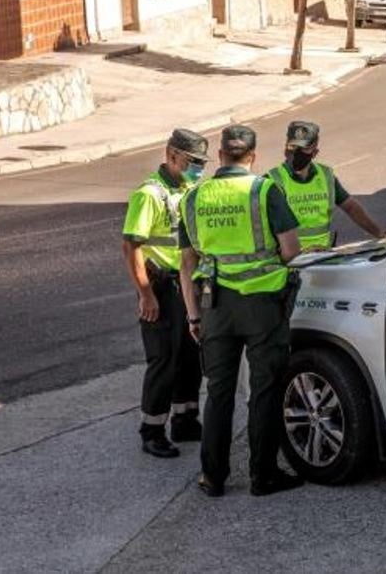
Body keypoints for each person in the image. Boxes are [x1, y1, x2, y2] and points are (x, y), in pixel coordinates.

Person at [179, 125, 304, 498]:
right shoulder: (264, 190)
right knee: (264, 391)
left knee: (219, 393)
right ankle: (262, 476)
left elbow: (186, 264)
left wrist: (192, 316)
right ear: (252, 156)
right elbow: (291, 250)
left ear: (219, 156)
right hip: (263, 306)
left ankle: (212, 477)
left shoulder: (193, 198)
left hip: (213, 305)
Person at [121, 129, 209, 458]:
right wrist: (146, 295)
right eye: (191, 162)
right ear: (171, 155)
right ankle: (152, 429)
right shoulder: (150, 194)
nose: (197, 168)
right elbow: (131, 247)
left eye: (201, 163)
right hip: (161, 286)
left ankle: (185, 420)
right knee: (163, 360)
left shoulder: (189, 190)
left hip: (187, 284)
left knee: (190, 357)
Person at [267, 121, 386, 252]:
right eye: (293, 147)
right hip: (289, 261)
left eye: (303, 149)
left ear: (314, 153)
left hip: (323, 256)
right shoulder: (272, 180)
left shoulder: (325, 176)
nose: (296, 153)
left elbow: (351, 207)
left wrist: (379, 234)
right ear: (285, 148)